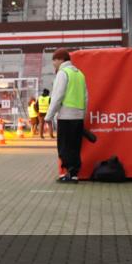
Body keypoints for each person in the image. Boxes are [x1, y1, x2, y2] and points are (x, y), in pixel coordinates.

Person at [44, 48, 88, 183]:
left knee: (64, 147)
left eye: (54, 60)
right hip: (78, 116)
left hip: (66, 116)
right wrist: (83, 113)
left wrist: (48, 117)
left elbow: (57, 96)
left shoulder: (63, 73)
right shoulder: (79, 74)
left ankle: (69, 173)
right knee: (75, 147)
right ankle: (73, 174)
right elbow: (86, 97)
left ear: (61, 59)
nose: (53, 63)